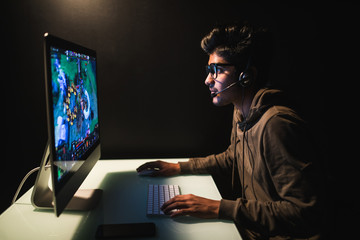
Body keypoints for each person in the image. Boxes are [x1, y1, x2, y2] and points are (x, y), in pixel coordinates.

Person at [137, 22, 323, 240]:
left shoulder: (277, 125)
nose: (208, 80)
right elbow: (232, 157)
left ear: (246, 76)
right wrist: (179, 167)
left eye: (218, 70)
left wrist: (219, 208)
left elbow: (305, 213)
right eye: (209, 70)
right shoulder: (241, 112)